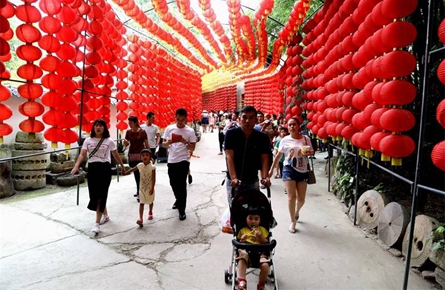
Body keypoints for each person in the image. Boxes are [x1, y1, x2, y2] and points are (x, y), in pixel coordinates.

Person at [71, 119, 126, 234]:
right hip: (92, 169)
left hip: (104, 169)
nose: (98, 127)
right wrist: (76, 166)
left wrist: (122, 166)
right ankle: (105, 215)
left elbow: (116, 154)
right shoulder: (87, 140)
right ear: (93, 128)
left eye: (101, 126)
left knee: (102, 195)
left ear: (104, 128)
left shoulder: (109, 141)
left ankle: (96, 223)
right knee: (95, 195)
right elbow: (82, 154)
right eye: (96, 125)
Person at [268, 117, 314, 233]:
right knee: (291, 197)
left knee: (301, 199)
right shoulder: (284, 140)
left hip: (303, 169)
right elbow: (278, 156)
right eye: (289, 125)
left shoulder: (305, 138)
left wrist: (308, 152)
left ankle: (297, 211)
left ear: (298, 126)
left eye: (294, 124)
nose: (292, 127)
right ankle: (292, 220)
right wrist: (271, 170)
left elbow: (312, 151)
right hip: (289, 169)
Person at [224, 106, 271, 204]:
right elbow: (229, 157)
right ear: (239, 119)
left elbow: (264, 159)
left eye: (251, 117)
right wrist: (234, 178)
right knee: (235, 210)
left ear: (256, 120)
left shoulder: (262, 137)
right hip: (234, 182)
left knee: (253, 210)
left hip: (252, 180)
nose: (247, 121)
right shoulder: (231, 134)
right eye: (244, 117)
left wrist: (264, 177)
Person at [162, 108, 197, 220]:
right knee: (173, 183)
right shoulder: (169, 128)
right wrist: (169, 143)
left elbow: (192, 148)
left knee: (182, 185)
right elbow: (164, 145)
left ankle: (182, 210)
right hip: (172, 160)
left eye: (182, 120)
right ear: (175, 117)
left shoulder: (190, 131)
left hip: (183, 160)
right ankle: (178, 199)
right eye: (178, 119)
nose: (180, 122)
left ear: (185, 119)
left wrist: (184, 142)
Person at [236, 213, 270, 290]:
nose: (253, 221)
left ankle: (261, 284)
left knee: (265, 266)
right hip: (246, 251)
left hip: (260, 252)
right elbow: (239, 243)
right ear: (246, 219)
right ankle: (242, 281)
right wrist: (242, 240)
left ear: (260, 220)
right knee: (241, 258)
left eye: (256, 219)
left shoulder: (262, 230)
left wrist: (261, 237)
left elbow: (266, 242)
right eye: (250, 218)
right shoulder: (243, 230)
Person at [125, 149, 156, 227]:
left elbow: (153, 178)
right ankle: (140, 218)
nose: (145, 156)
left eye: (147, 155)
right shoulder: (140, 165)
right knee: (141, 203)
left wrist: (152, 188)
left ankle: (150, 212)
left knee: (150, 201)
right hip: (141, 188)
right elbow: (133, 169)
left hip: (149, 187)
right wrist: (126, 172)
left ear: (150, 157)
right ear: (140, 157)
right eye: (143, 155)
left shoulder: (152, 167)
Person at [124, 116, 149, 201]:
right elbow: (126, 144)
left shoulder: (142, 132)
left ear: (135, 123)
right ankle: (139, 190)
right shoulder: (128, 132)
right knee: (136, 174)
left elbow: (146, 144)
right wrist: (125, 143)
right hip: (132, 155)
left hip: (142, 155)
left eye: (131, 123)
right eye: (129, 123)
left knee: (141, 173)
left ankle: (140, 191)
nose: (129, 124)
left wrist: (150, 155)